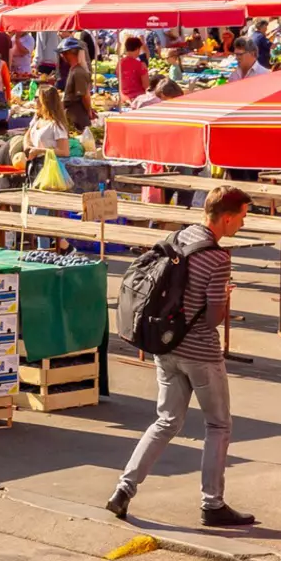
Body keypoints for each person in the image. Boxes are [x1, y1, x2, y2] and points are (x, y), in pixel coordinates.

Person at [107, 186, 255, 529]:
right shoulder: (218, 258)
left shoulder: (180, 237)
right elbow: (213, 318)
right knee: (218, 425)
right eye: (243, 217)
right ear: (228, 218)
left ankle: (123, 490)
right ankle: (212, 503)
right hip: (201, 352)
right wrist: (224, 295)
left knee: (166, 421)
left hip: (166, 346)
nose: (242, 225)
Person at [58, 37, 94, 131]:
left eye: (64, 53)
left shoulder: (78, 72)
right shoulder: (74, 70)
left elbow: (85, 95)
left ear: (69, 53)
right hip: (73, 114)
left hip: (78, 116)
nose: (62, 56)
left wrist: (89, 111)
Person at [117, 35, 151, 103]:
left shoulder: (119, 63)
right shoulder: (141, 65)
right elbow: (146, 86)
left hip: (124, 98)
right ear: (137, 49)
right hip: (138, 99)